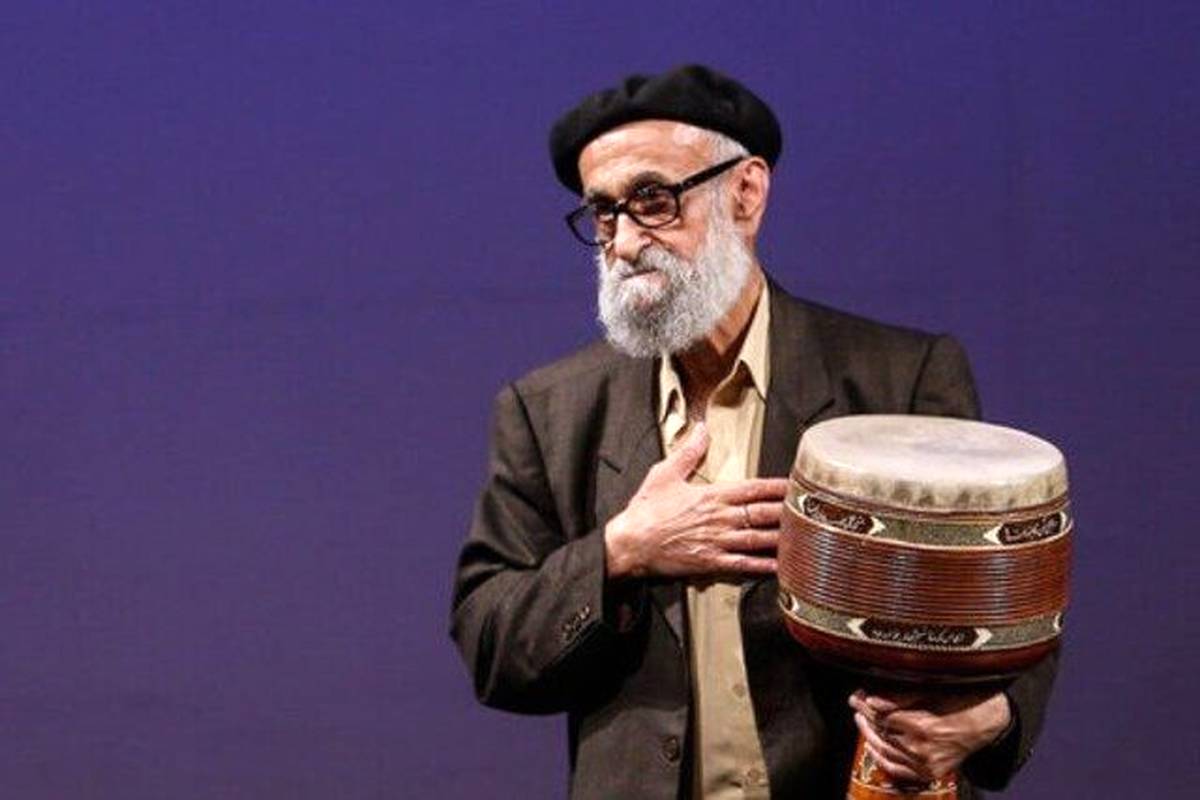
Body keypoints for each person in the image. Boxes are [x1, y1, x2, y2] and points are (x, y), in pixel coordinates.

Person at [450, 65, 1056, 799]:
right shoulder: (548, 410)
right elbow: (490, 641)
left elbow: (1005, 599)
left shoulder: (899, 379)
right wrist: (621, 552)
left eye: (653, 199)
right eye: (603, 214)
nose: (625, 240)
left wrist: (992, 718)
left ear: (746, 193)